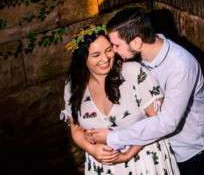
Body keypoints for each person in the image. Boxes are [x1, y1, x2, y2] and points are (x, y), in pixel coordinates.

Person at [85, 8, 204, 175]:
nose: (114, 51)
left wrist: (112, 138)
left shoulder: (180, 67)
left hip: (190, 152)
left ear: (137, 43)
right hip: (162, 149)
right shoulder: (140, 55)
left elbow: (166, 123)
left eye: (116, 45)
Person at [60, 24, 179, 174]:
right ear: (83, 58)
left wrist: (128, 154)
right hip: (101, 167)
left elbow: (159, 121)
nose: (105, 58)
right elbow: (76, 128)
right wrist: (92, 149)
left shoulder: (134, 72)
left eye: (109, 50)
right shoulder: (73, 85)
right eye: (96, 55)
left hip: (145, 162)